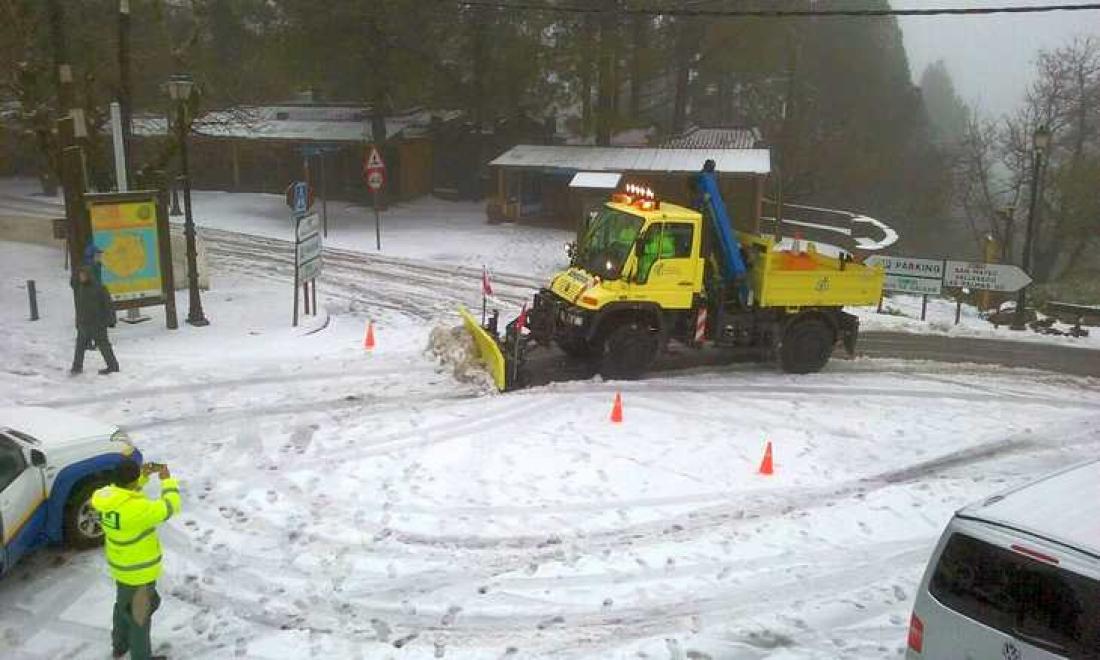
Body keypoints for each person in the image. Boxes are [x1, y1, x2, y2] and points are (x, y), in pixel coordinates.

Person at [91, 459, 181, 660]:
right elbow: (170, 506)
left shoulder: (105, 497)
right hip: (139, 572)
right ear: (131, 480)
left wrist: (143, 477)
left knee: (122, 606)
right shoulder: (138, 509)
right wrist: (167, 481)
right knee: (140, 617)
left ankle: (120, 645)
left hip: (121, 567)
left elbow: (126, 494)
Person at [70, 265, 119, 375]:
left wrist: (110, 320)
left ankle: (113, 366)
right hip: (83, 323)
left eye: (84, 275)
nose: (81, 277)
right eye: (80, 275)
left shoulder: (99, 288)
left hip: (97, 323)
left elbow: (108, 305)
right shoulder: (79, 287)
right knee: (80, 346)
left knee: (104, 345)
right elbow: (72, 282)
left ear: (89, 276)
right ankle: (77, 367)